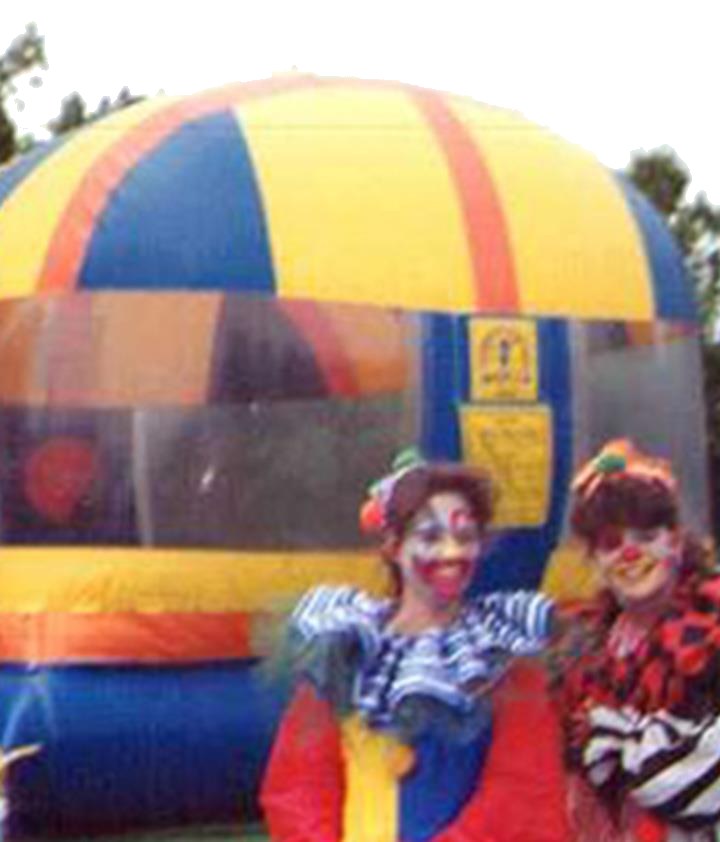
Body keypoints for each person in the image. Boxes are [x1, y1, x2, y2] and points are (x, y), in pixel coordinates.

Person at [261, 449, 571, 842]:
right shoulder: (346, 647)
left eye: (465, 537)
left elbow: (521, 788)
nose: (451, 552)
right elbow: (300, 785)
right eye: (430, 537)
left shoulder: (504, 656)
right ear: (393, 546)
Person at [560, 439, 720, 842]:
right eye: (611, 543)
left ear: (675, 542)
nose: (630, 554)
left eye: (647, 536)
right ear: (595, 560)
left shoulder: (710, 630)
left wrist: (622, 740)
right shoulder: (585, 648)